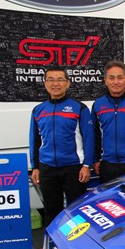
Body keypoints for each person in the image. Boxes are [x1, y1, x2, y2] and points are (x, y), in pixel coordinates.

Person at [29, 65, 94, 226]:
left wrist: (87, 165)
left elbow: (89, 139)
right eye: (50, 80)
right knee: (51, 211)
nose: (55, 83)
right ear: (45, 83)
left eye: (60, 79)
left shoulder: (79, 108)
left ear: (67, 83)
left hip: (73, 168)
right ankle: (52, 240)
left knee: (77, 210)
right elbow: (34, 140)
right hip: (47, 168)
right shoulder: (38, 110)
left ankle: (78, 241)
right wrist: (35, 167)